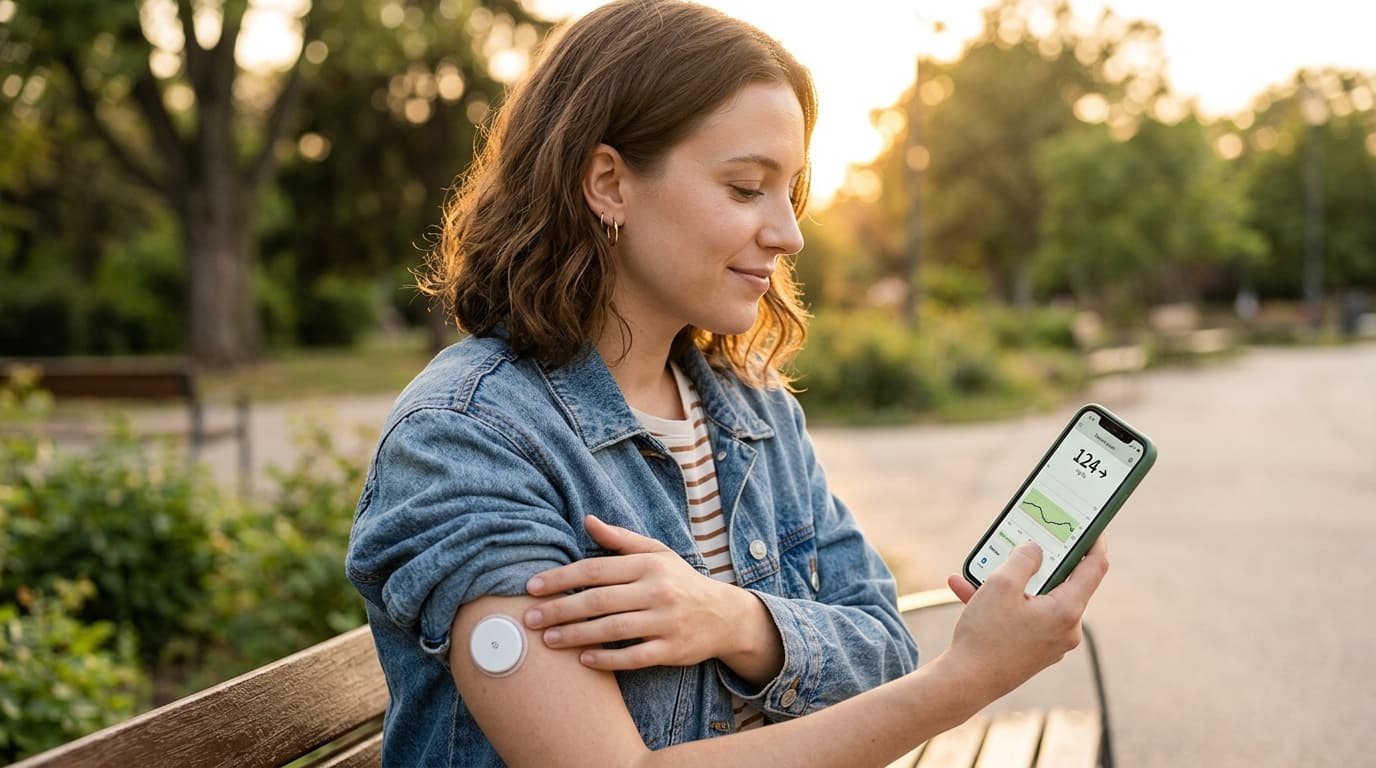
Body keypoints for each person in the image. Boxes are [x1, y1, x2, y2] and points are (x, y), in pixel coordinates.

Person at [345, 1, 1109, 766]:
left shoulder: (753, 407)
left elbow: (882, 649)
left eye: (791, 193)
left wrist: (740, 621)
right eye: (747, 189)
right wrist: (969, 680)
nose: (789, 232)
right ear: (608, 182)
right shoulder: (468, 439)